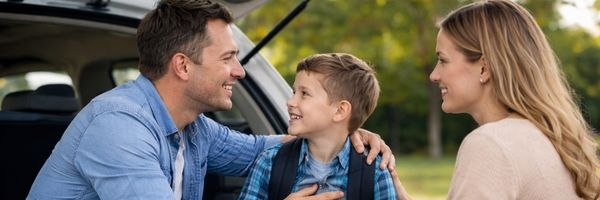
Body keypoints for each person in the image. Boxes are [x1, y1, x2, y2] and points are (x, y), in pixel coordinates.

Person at [26, 0, 395, 199]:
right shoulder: (117, 126)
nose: (240, 71)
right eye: (227, 58)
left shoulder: (194, 129)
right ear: (183, 66)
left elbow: (264, 151)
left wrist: (351, 134)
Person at [423, 0, 600, 199]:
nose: (434, 75)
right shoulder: (549, 138)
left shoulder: (490, 144)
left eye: (443, 60)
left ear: (484, 67)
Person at [238, 53, 396, 200]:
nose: (290, 102)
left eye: (304, 93)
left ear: (340, 110)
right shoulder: (269, 162)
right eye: (294, 92)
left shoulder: (374, 171)